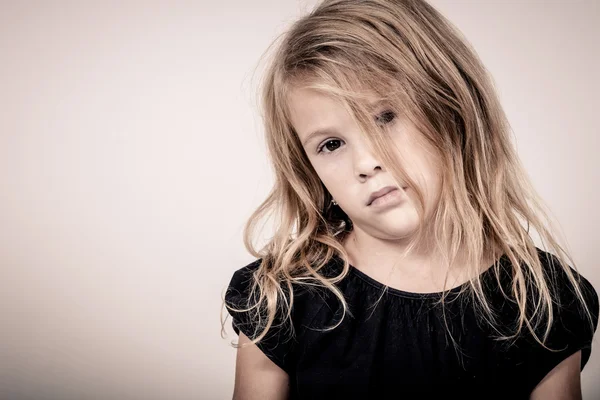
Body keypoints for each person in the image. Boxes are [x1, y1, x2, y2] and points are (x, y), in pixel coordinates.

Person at [220, 0, 599, 399]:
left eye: (385, 117)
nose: (366, 163)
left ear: (451, 106)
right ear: (307, 168)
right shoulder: (282, 296)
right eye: (332, 144)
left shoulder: (543, 300)